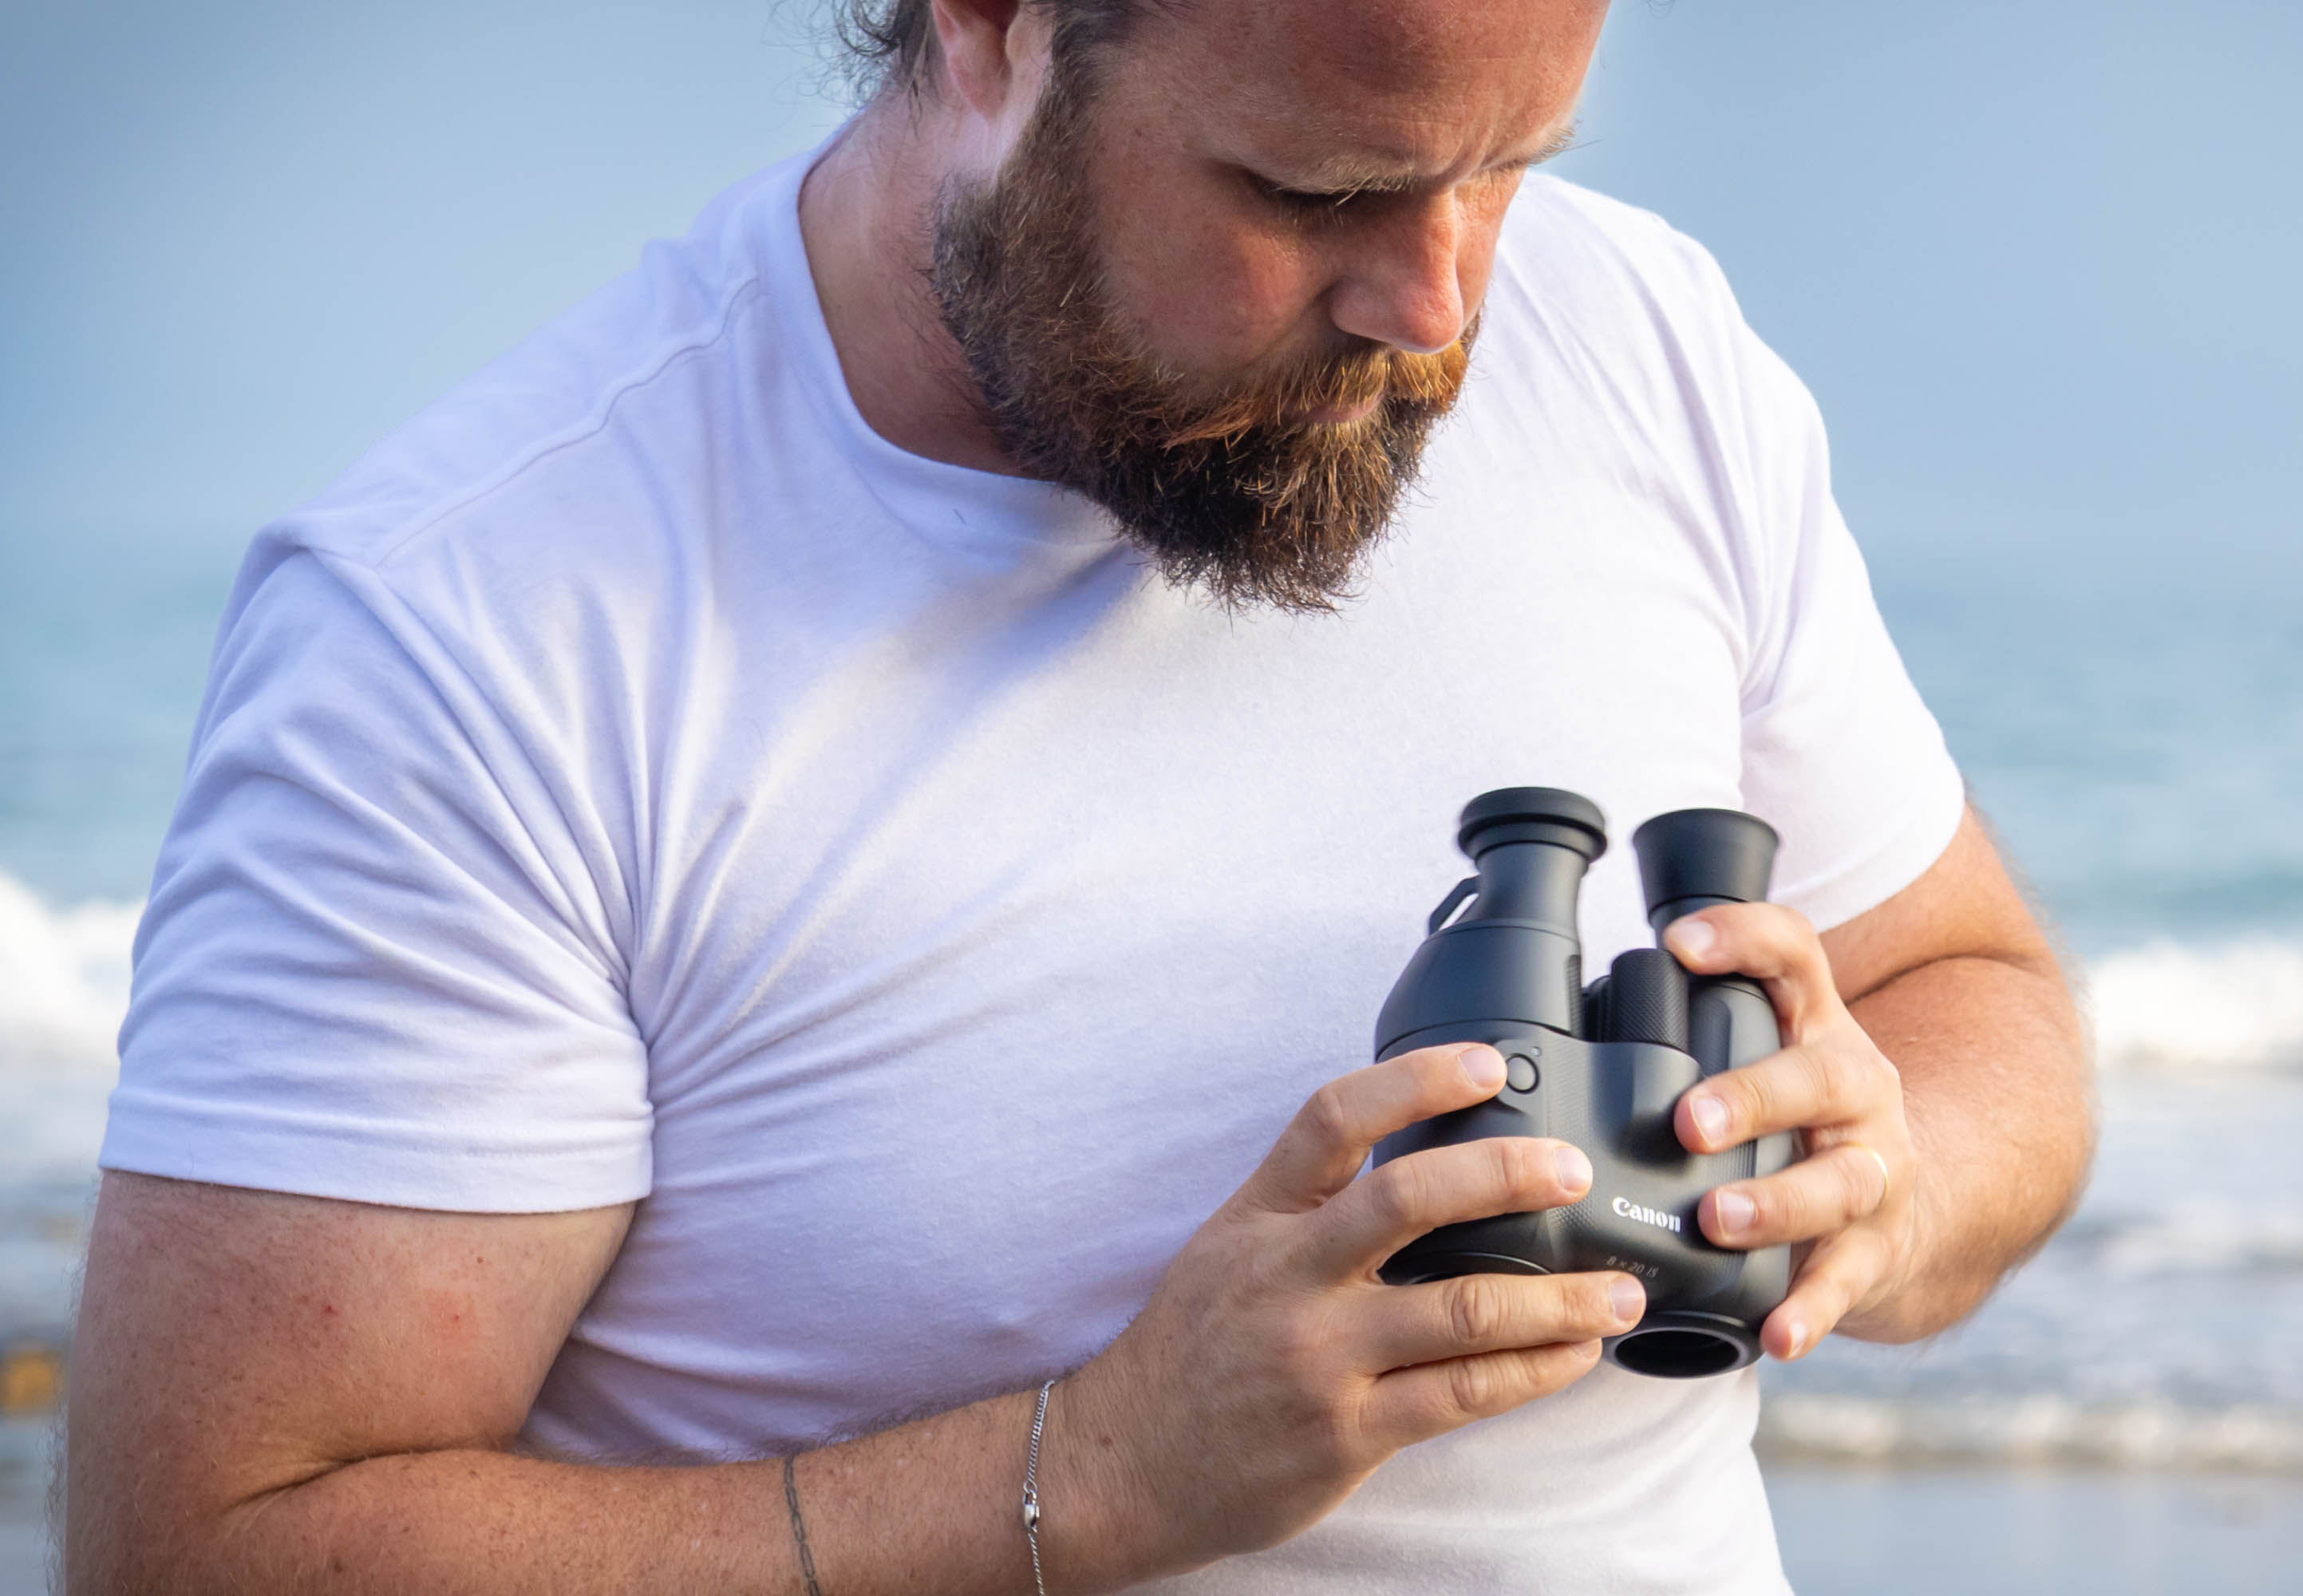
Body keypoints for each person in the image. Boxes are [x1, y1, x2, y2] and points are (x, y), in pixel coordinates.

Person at [62, 0, 2094, 1590]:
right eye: (1316, 192)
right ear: (987, 23)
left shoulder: (1641, 339)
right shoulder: (472, 627)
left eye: (1508, 167)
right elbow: (203, 1550)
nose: (1445, 306)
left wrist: (1882, 1179)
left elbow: (1979, 999)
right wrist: (1083, 1479)